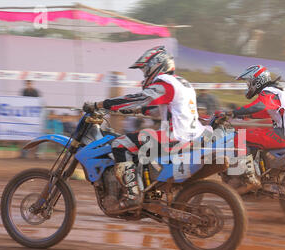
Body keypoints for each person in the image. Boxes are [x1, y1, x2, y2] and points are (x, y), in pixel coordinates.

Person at [83, 46, 207, 209]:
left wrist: (100, 104)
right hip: (193, 135)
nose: (145, 74)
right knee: (138, 143)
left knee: (119, 144)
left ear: (157, 65)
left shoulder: (165, 83)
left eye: (146, 70)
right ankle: (148, 189)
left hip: (176, 136)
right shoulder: (182, 83)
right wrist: (131, 110)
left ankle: (132, 195)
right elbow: (153, 109)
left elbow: (140, 99)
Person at [231, 65, 285, 191]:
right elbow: (265, 111)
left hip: (281, 134)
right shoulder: (275, 90)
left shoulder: (268, 91)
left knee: (239, 137)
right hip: (284, 132)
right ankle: (258, 172)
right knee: (252, 134)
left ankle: (249, 178)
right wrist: (246, 115)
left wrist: (235, 112)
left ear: (257, 80)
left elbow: (259, 106)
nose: (248, 85)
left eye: (249, 82)